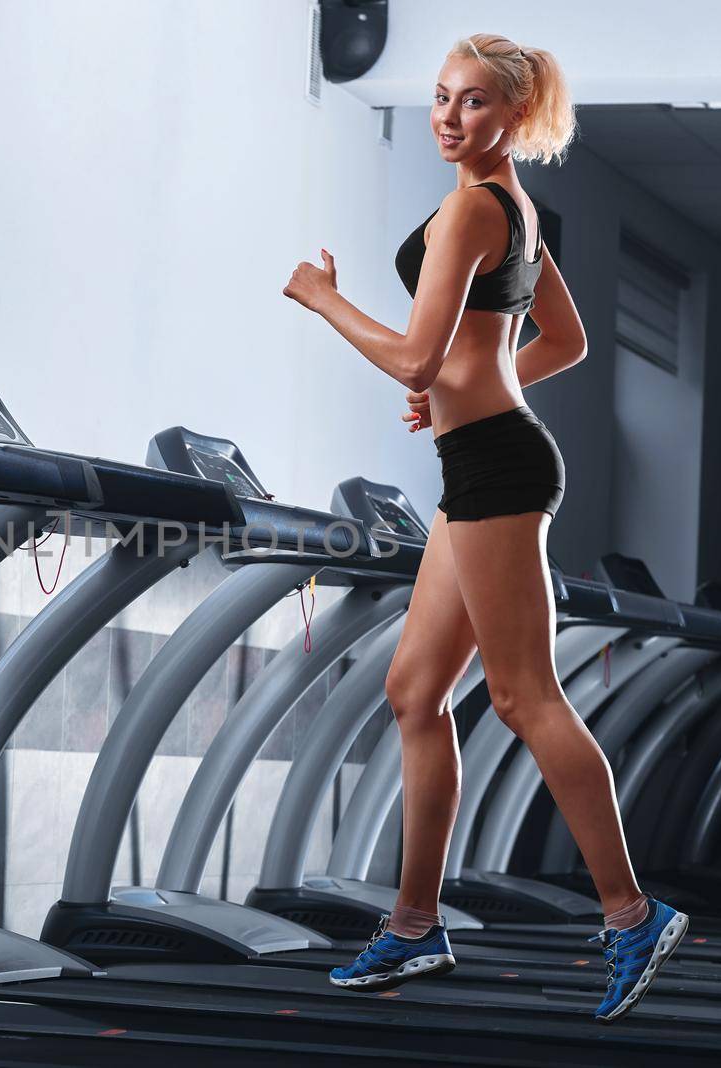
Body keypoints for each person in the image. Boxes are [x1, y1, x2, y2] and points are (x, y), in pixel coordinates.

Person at [280, 31, 687, 1023]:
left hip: (497, 465)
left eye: (471, 103)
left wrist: (324, 299)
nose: (448, 117)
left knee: (519, 695)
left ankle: (631, 913)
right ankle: (415, 927)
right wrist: (474, 391)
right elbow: (564, 340)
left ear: (513, 115)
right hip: (484, 455)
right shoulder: (516, 208)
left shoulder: (473, 208)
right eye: (440, 98)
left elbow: (418, 359)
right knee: (415, 691)